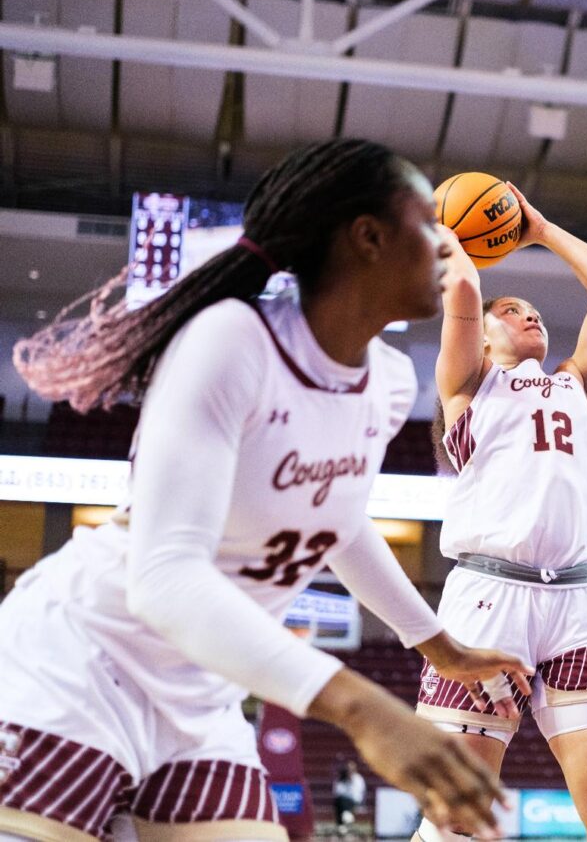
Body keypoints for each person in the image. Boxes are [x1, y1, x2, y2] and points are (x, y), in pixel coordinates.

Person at [0, 139, 533, 841]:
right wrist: (362, 707)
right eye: (426, 221)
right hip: (83, 661)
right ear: (368, 238)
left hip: (202, 696)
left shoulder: (390, 380)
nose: (447, 244)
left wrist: (437, 644)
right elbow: (162, 579)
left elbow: (339, 523)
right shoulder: (231, 341)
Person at [414, 184, 587, 842]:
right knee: (457, 814)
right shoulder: (468, 385)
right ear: (481, 338)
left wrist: (538, 228)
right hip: (490, 598)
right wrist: (449, 231)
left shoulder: (579, 384)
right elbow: (460, 294)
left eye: (534, 309)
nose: (528, 314)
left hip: (579, 603)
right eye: (510, 310)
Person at [334, 760, 367, 834]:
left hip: (354, 801)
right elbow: (337, 792)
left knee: (344, 801)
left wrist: (351, 782)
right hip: (342, 802)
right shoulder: (341, 779)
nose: (350, 771)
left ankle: (344, 821)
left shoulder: (358, 779)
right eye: (348, 769)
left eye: (351, 769)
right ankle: (345, 819)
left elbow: (357, 794)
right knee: (339, 801)